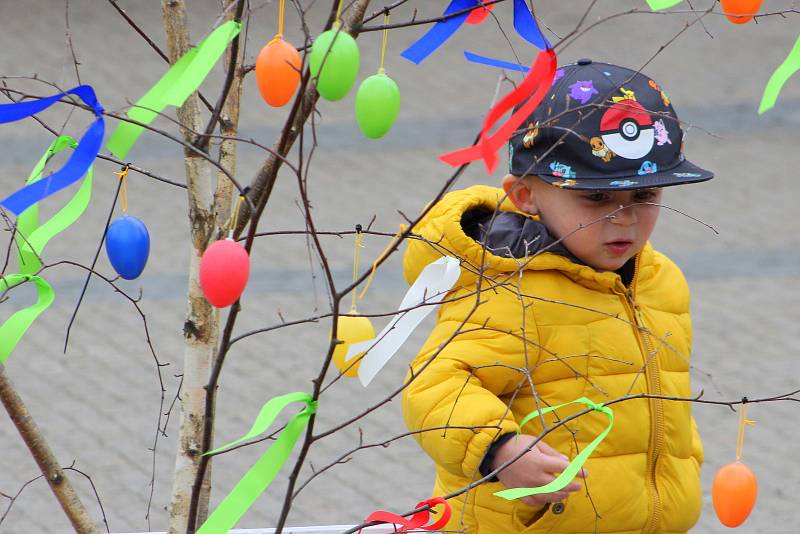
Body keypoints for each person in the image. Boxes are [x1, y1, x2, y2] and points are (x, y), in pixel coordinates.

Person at [401, 59, 710, 533]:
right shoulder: (512, 288)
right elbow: (436, 386)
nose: (624, 219)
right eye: (596, 198)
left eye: (645, 196)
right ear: (526, 196)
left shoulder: (660, 280)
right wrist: (500, 450)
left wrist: (685, 467)